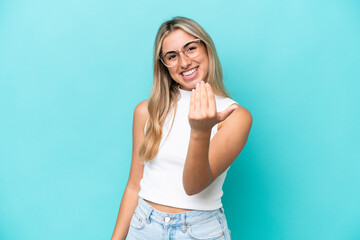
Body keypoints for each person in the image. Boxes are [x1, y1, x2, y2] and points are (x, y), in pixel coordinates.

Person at [111, 16, 252, 240]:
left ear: (207, 49)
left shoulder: (235, 116)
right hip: (143, 226)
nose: (184, 62)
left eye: (191, 48)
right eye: (172, 56)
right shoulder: (146, 111)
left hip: (199, 231)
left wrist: (200, 131)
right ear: (164, 65)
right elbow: (133, 186)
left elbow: (194, 186)